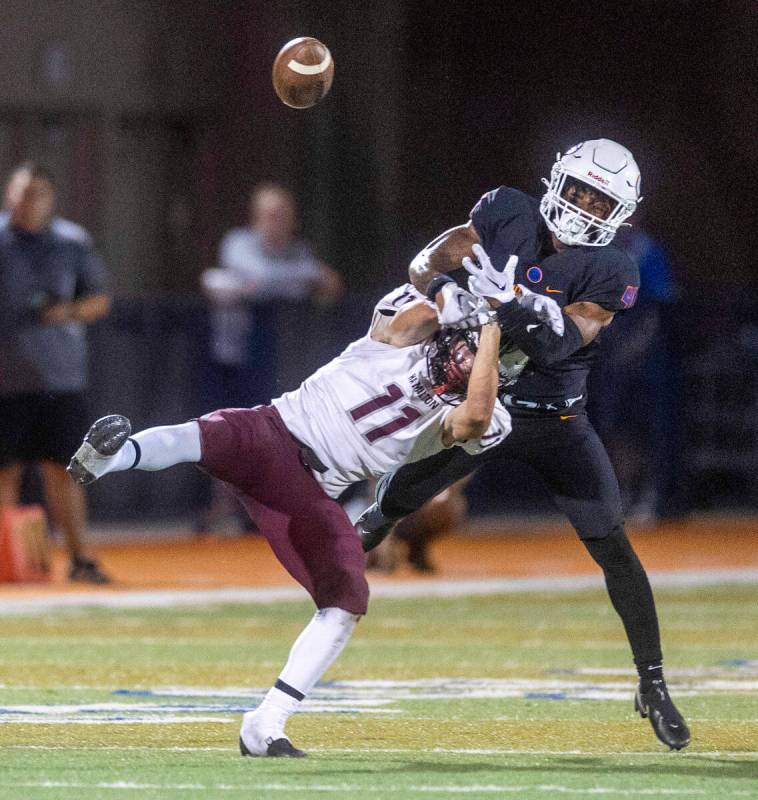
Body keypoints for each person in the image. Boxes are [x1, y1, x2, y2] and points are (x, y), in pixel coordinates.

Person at [68, 278, 508, 756]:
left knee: (346, 599)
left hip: (313, 490)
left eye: (477, 354)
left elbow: (478, 417)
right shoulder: (401, 335)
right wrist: (458, 299)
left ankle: (265, 724)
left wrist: (486, 330)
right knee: (199, 434)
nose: (463, 358)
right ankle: (108, 458)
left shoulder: (476, 411)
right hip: (274, 428)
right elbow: (413, 311)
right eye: (462, 345)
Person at [357, 139, 691, 751]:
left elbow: (560, 343)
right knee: (399, 500)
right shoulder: (510, 210)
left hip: (555, 418)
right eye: (581, 190)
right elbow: (445, 251)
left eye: (600, 198)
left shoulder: (614, 269)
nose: (585, 206)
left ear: (622, 210)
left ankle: (654, 681)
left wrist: (510, 304)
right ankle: (370, 524)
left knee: (615, 548)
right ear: (557, 181)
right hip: (490, 406)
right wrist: (431, 272)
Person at [198, 182, 343, 533]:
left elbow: (330, 286)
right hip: (235, 357)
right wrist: (300, 279)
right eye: (270, 215)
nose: (277, 222)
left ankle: (271, 513)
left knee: (283, 437)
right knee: (228, 434)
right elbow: (260, 279)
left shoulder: (298, 251)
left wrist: (281, 282)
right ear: (256, 217)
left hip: (282, 360)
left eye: (283, 216)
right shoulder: (239, 242)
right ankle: (224, 513)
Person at [0, 163, 111, 584]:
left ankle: (80, 557)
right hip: (6, 376)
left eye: (39, 193)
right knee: (4, 471)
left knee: (65, 468)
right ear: (10, 194)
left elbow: (99, 300)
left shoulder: (72, 242)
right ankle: (11, 560)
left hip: (59, 376)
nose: (30, 201)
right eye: (23, 192)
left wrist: (63, 312)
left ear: (51, 198)